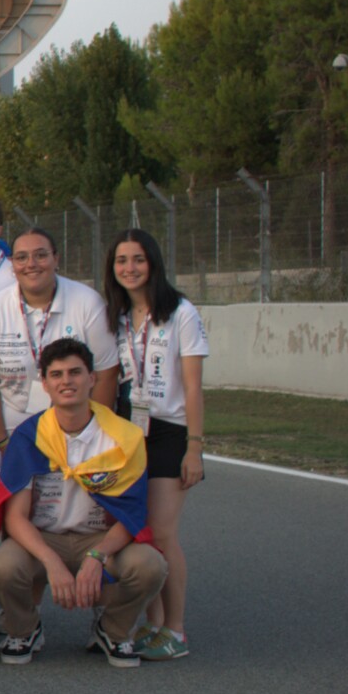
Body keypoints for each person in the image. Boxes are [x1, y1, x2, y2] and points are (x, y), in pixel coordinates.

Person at [0, 339, 167, 667]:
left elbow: (131, 514)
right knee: (2, 566)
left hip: (98, 537)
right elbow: (15, 517)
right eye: (56, 375)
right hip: (44, 538)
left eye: (75, 372)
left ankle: (113, 630)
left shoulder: (123, 438)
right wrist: (51, 561)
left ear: (92, 378)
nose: (66, 381)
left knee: (150, 565)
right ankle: (25, 628)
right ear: (45, 384)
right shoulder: (29, 435)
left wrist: (97, 556)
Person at [104, 228, 208, 661]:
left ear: (153, 263)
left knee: (163, 532)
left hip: (169, 430)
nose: (130, 268)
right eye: (121, 260)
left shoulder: (180, 312)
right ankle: (153, 622)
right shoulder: (116, 315)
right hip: (129, 432)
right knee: (140, 531)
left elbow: (194, 386)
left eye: (138, 259)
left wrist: (194, 447)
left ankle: (176, 630)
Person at [0, 227, 118, 441]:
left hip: (77, 430)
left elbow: (106, 375)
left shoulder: (88, 303)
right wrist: (1, 441)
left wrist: (91, 435)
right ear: (12, 264)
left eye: (40, 255)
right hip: (16, 431)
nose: (31, 264)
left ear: (56, 258)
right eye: (21, 257)